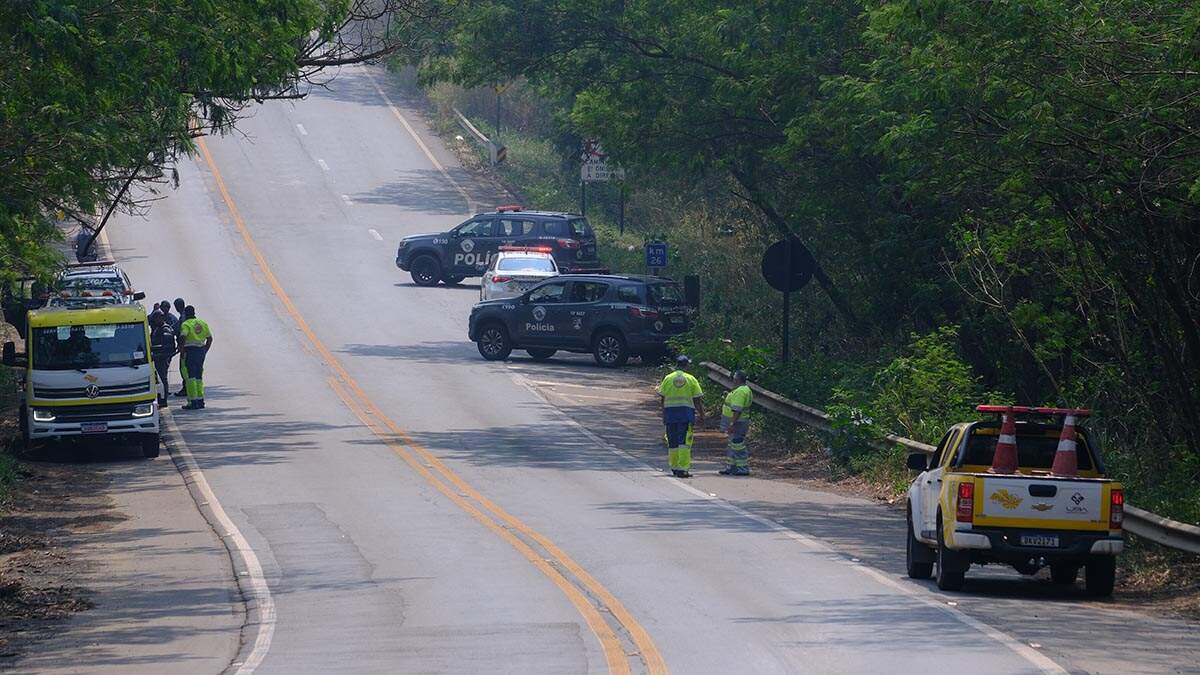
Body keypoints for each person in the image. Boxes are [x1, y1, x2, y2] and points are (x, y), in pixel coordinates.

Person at [658, 355, 704, 478]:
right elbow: (697, 399)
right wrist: (701, 415)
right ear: (686, 365)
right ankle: (683, 469)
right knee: (684, 443)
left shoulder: (668, 378)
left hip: (670, 414)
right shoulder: (691, 379)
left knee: (672, 442)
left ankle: (674, 467)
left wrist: (664, 414)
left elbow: (662, 398)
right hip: (685, 415)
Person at [719, 370, 754, 476]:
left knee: (738, 444)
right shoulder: (743, 389)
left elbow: (737, 410)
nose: (733, 379)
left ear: (737, 379)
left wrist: (732, 423)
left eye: (734, 377)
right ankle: (732, 467)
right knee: (733, 444)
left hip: (738, 422)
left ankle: (742, 468)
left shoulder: (740, 392)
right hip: (738, 421)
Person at [177, 305, 213, 410]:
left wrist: (182, 350)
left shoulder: (186, 324)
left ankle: (193, 402)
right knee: (198, 377)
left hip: (190, 352)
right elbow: (210, 338)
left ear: (186, 314)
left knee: (190, 377)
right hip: (200, 352)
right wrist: (205, 350)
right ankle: (200, 400)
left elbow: (183, 336)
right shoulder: (202, 323)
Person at [149, 312, 176, 408]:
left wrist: (157, 352)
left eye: (157, 318)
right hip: (157, 357)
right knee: (159, 379)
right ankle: (161, 398)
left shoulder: (165, 329)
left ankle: (164, 399)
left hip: (162, 358)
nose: (155, 320)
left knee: (163, 379)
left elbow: (168, 347)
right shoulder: (157, 329)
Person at [172, 297, 187, 396]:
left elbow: (179, 331)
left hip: (185, 347)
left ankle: (186, 388)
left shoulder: (183, 317)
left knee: (184, 368)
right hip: (186, 346)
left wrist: (180, 348)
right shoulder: (183, 315)